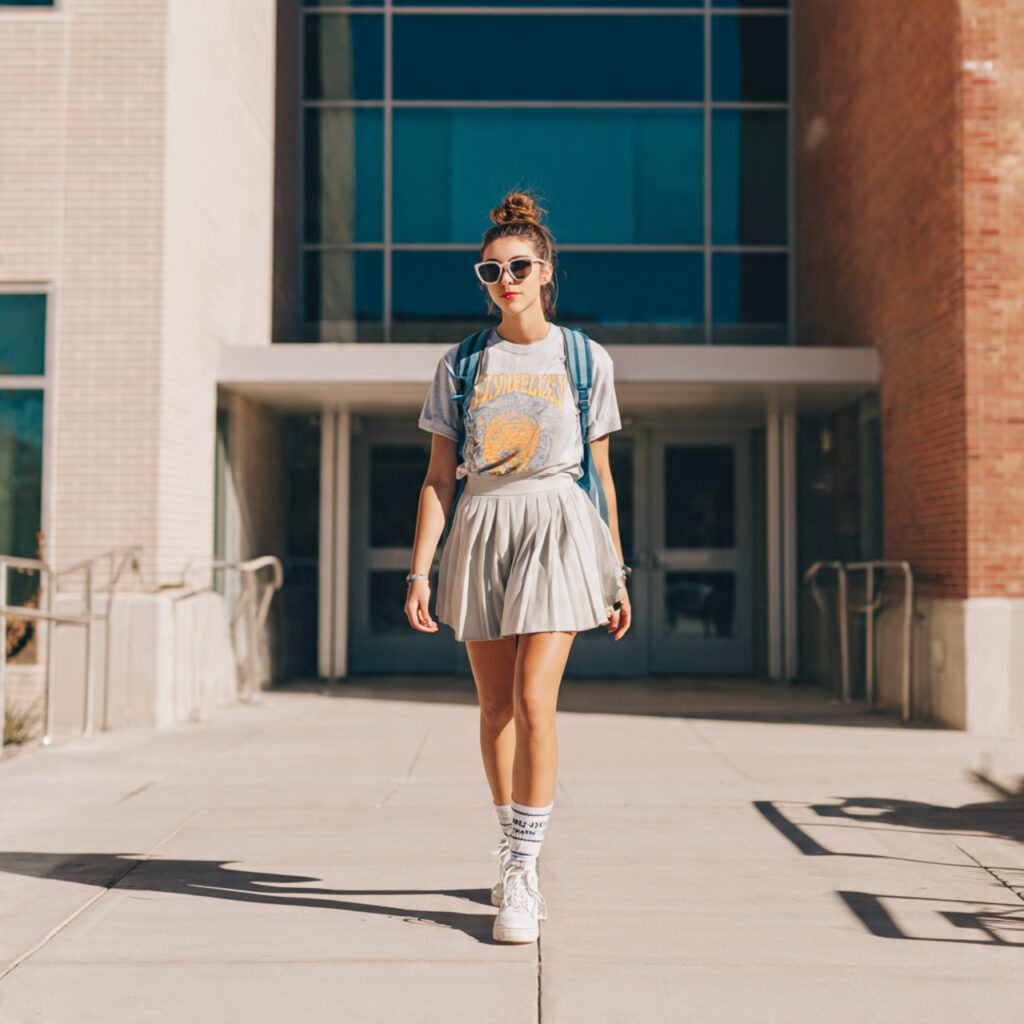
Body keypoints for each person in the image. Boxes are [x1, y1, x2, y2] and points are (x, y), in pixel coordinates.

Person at [405, 188, 632, 944]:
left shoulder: (583, 358)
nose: (505, 278)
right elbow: (440, 477)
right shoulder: (461, 362)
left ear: (546, 271)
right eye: (490, 269)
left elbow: (599, 474)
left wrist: (616, 571)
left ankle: (523, 871)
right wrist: (419, 571)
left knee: (537, 701)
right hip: (483, 520)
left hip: (558, 522)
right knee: (495, 708)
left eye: (519, 266)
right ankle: (510, 848)